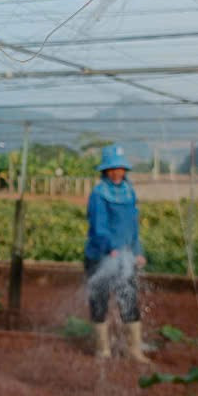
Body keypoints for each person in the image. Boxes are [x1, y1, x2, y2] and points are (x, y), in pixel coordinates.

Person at [83, 144, 151, 362]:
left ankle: (134, 350)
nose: (117, 173)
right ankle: (103, 349)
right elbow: (98, 226)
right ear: (105, 171)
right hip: (100, 256)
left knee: (128, 299)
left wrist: (137, 251)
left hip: (125, 256)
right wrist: (110, 248)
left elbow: (133, 228)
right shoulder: (98, 194)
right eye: (112, 169)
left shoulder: (129, 192)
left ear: (125, 170)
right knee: (100, 301)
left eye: (120, 168)